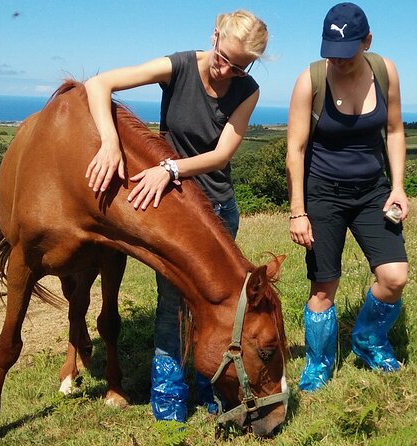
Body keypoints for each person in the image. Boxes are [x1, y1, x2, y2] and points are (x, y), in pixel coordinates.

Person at [84, 10, 268, 420]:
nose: (227, 71)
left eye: (240, 66)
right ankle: (167, 393)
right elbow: (99, 84)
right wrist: (110, 144)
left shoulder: (247, 90)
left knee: (216, 305)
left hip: (218, 208)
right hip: (178, 213)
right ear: (214, 36)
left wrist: (169, 168)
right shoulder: (180, 65)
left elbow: (221, 155)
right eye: (223, 58)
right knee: (172, 302)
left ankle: (210, 382)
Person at [285, 2, 409, 392]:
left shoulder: (385, 72)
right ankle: (319, 364)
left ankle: (368, 338)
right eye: (330, 53)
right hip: (323, 193)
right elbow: (296, 150)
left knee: (394, 277)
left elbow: (394, 131)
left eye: (346, 52)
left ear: (367, 41)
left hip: (373, 191)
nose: (337, 61)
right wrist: (298, 212)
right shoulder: (310, 80)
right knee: (324, 287)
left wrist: (399, 186)